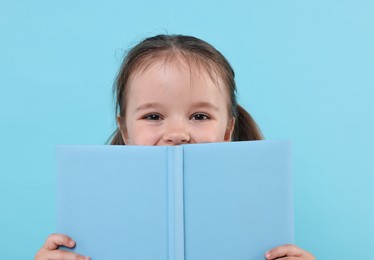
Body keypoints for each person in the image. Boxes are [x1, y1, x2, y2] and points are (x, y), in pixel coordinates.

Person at [35, 34, 315, 260]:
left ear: (228, 129)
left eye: (200, 116)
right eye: (153, 117)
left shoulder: (260, 216)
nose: (177, 134)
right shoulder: (90, 217)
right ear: (126, 130)